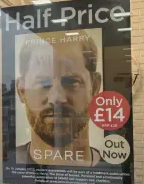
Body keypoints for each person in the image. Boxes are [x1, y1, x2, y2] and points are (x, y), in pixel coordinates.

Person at [15, 29, 103, 168]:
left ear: (95, 86)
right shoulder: (6, 166)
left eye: (72, 82)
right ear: (21, 90)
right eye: (43, 83)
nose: (57, 98)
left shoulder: (115, 171)